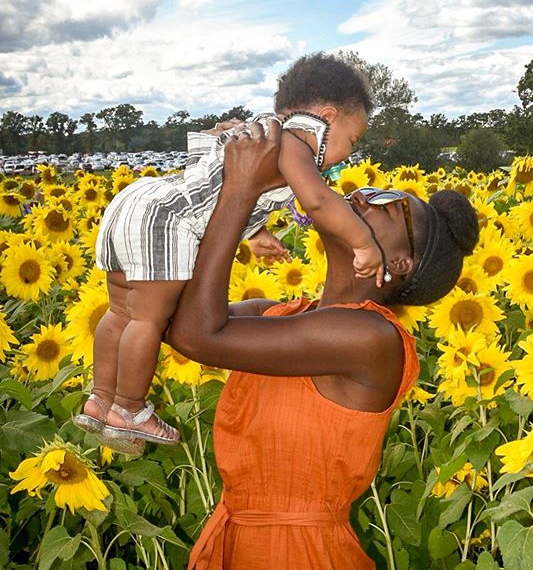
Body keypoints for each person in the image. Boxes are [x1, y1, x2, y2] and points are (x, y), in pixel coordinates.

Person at [164, 119, 479, 569]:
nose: (362, 195)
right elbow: (175, 319)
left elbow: (198, 334)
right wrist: (215, 171)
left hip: (299, 555)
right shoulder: (280, 313)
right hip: (234, 543)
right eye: (366, 188)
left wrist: (241, 189)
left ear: (400, 261)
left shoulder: (370, 338)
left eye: (389, 202)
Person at [73, 53, 382, 451]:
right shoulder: (294, 143)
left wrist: (256, 233)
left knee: (120, 312)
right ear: (327, 116)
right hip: (168, 222)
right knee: (148, 319)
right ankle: (129, 408)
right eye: (351, 141)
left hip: (137, 202)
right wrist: (363, 242)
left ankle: (100, 400)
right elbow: (319, 201)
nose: (347, 155)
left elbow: (217, 178)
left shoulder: (257, 132)